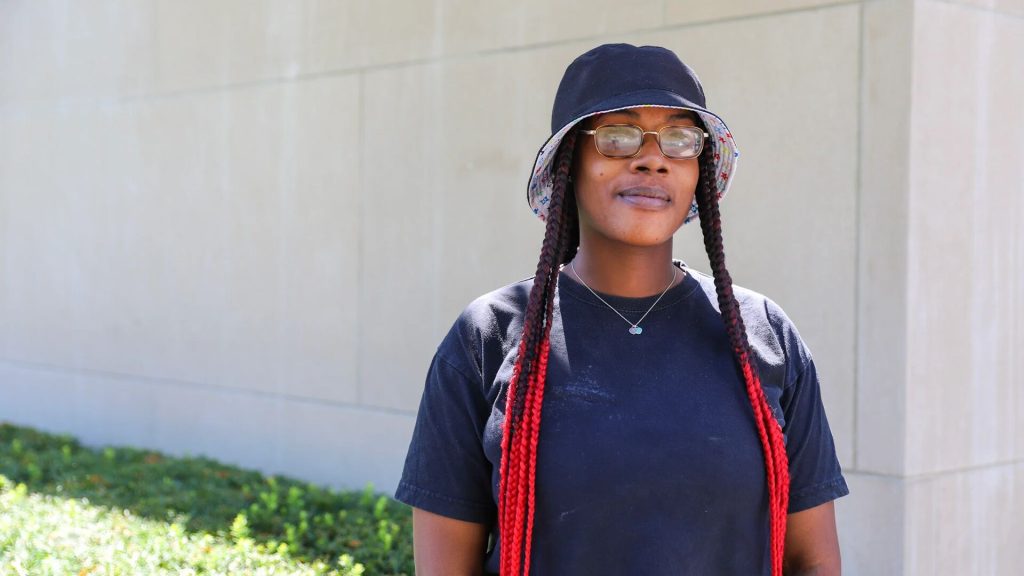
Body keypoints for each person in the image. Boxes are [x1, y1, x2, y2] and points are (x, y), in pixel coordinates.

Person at [395, 43, 850, 576]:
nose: (653, 157)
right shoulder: (487, 336)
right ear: (570, 163)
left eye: (680, 138)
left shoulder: (763, 333)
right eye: (617, 136)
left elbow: (812, 560)